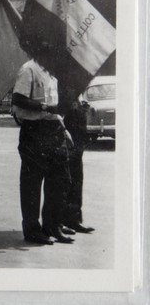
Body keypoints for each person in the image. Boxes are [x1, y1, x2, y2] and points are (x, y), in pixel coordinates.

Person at [12, 59, 74, 245]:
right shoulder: (28, 69)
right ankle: (31, 229)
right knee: (32, 183)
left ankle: (52, 226)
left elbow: (56, 109)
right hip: (34, 129)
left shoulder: (52, 71)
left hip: (54, 129)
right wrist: (44, 107)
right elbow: (18, 99)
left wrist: (63, 130)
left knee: (59, 180)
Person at [62, 96, 95, 234]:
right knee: (65, 178)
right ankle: (61, 221)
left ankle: (74, 219)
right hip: (67, 131)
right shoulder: (63, 81)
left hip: (78, 134)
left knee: (77, 178)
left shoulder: (78, 85)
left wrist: (82, 107)